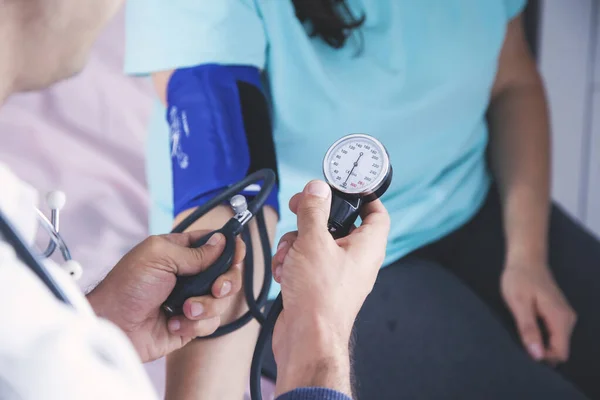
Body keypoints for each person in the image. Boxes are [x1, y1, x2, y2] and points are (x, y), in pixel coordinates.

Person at [125, 0, 600, 399]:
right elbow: (228, 197)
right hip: (308, 264)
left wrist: (527, 255)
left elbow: (512, 80)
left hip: (472, 199)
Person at [0, 1, 391, 399]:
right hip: (333, 270)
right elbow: (225, 160)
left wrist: (98, 319)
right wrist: (318, 341)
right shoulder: (30, 370)